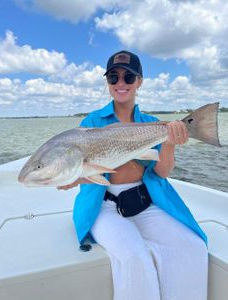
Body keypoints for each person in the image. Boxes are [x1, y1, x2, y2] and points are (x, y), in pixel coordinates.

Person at [59, 50, 208, 300]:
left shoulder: (152, 123)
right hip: (104, 206)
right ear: (107, 82)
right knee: (134, 256)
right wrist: (70, 177)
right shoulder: (92, 122)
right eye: (113, 77)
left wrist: (169, 142)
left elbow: (161, 172)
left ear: (139, 81)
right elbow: (83, 170)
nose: (120, 83)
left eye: (129, 77)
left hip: (145, 202)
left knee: (191, 247)